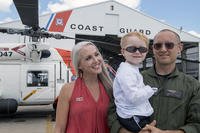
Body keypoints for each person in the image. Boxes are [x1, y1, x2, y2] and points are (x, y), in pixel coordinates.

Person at [108, 29, 200, 133]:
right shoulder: (133, 79)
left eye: (169, 45)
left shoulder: (193, 86)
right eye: (158, 46)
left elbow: (197, 124)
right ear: (153, 49)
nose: (163, 49)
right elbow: (112, 113)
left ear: (179, 48)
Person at [54, 41, 113, 133]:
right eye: (88, 58)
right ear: (79, 66)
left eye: (96, 54)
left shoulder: (110, 89)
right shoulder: (68, 90)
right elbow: (59, 128)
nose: (96, 60)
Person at [113, 32, 157, 133]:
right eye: (132, 49)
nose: (137, 52)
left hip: (133, 114)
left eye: (142, 49)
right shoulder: (127, 72)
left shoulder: (131, 69)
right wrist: (149, 89)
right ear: (123, 51)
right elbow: (134, 97)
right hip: (132, 117)